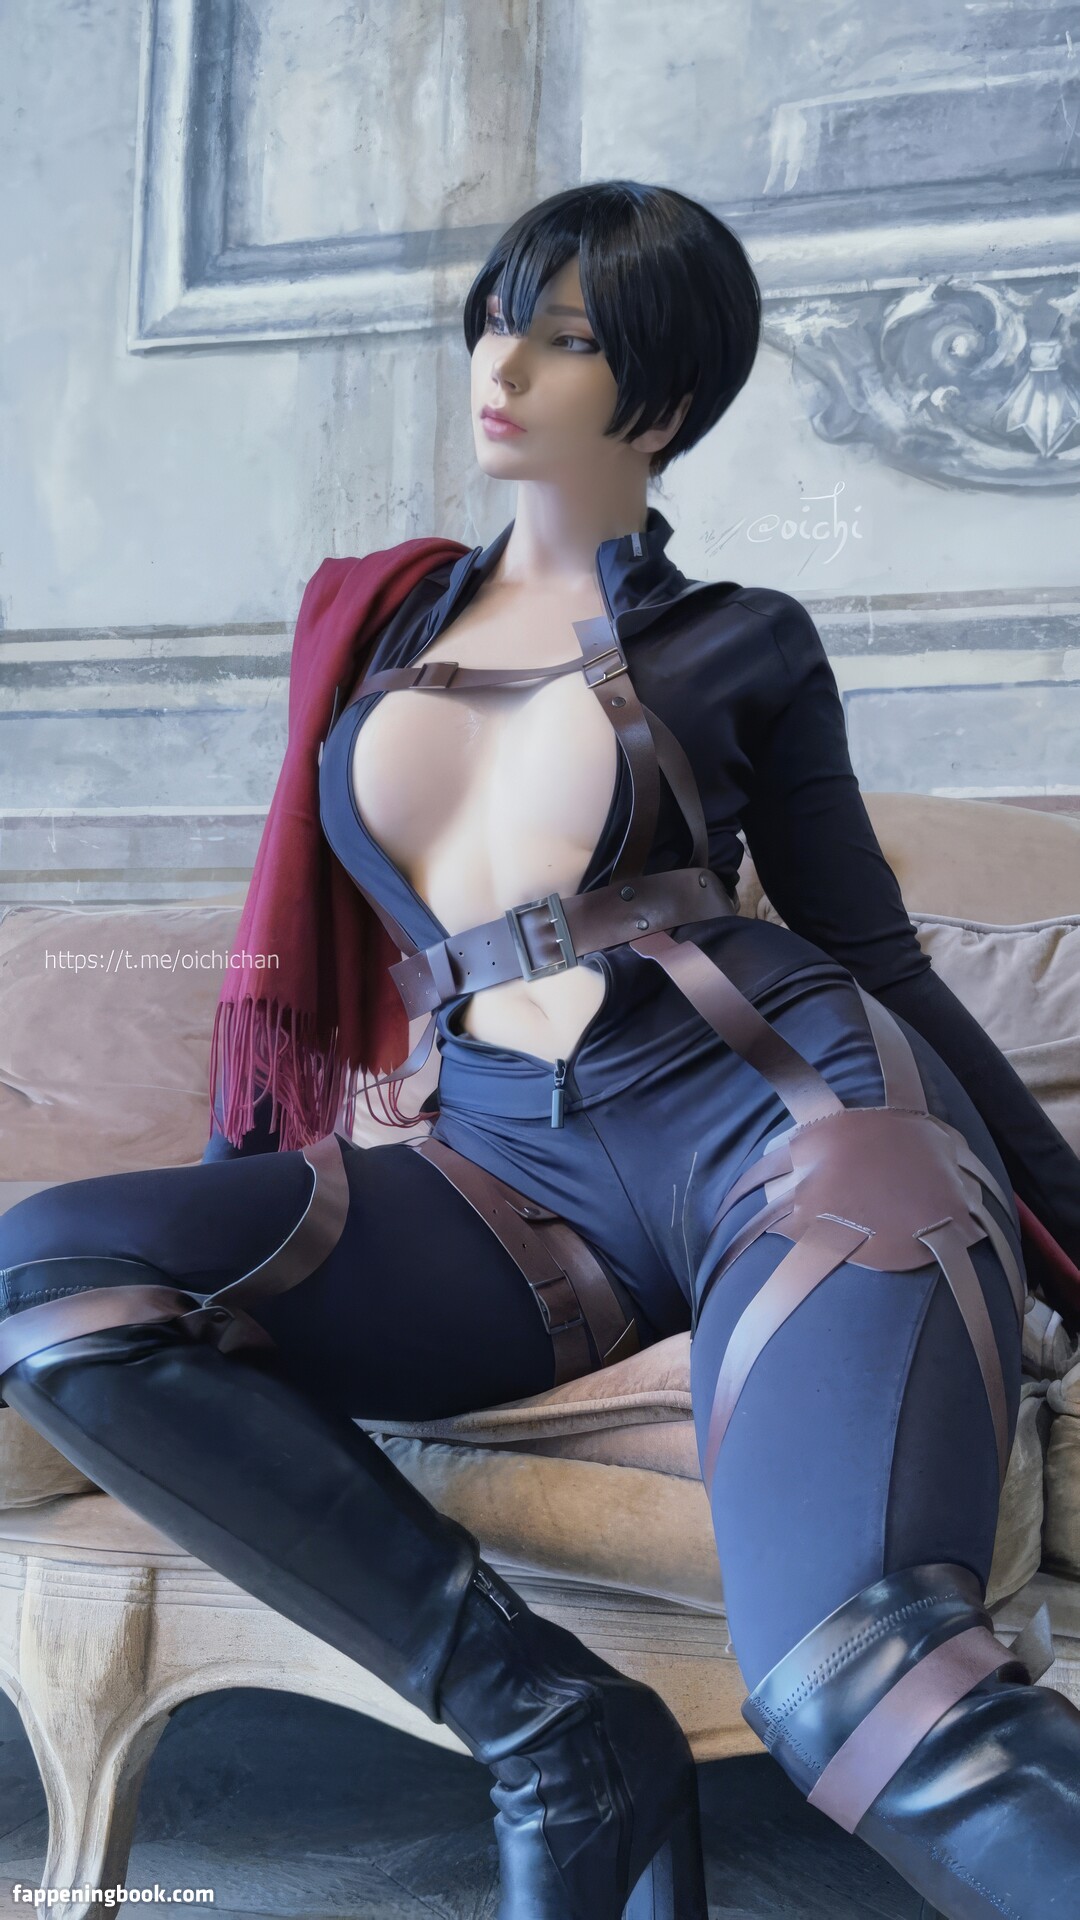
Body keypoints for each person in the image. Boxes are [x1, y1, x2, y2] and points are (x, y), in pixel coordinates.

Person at [1, 179, 1079, 1920]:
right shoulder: (377, 626)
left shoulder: (742, 639)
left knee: (866, 1689)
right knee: (55, 1279)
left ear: (663, 395)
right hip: (504, 1172)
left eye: (564, 338)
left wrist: (1065, 1231)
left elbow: (878, 955)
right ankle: (558, 1734)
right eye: (499, 322)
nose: (502, 367)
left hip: (790, 1133)